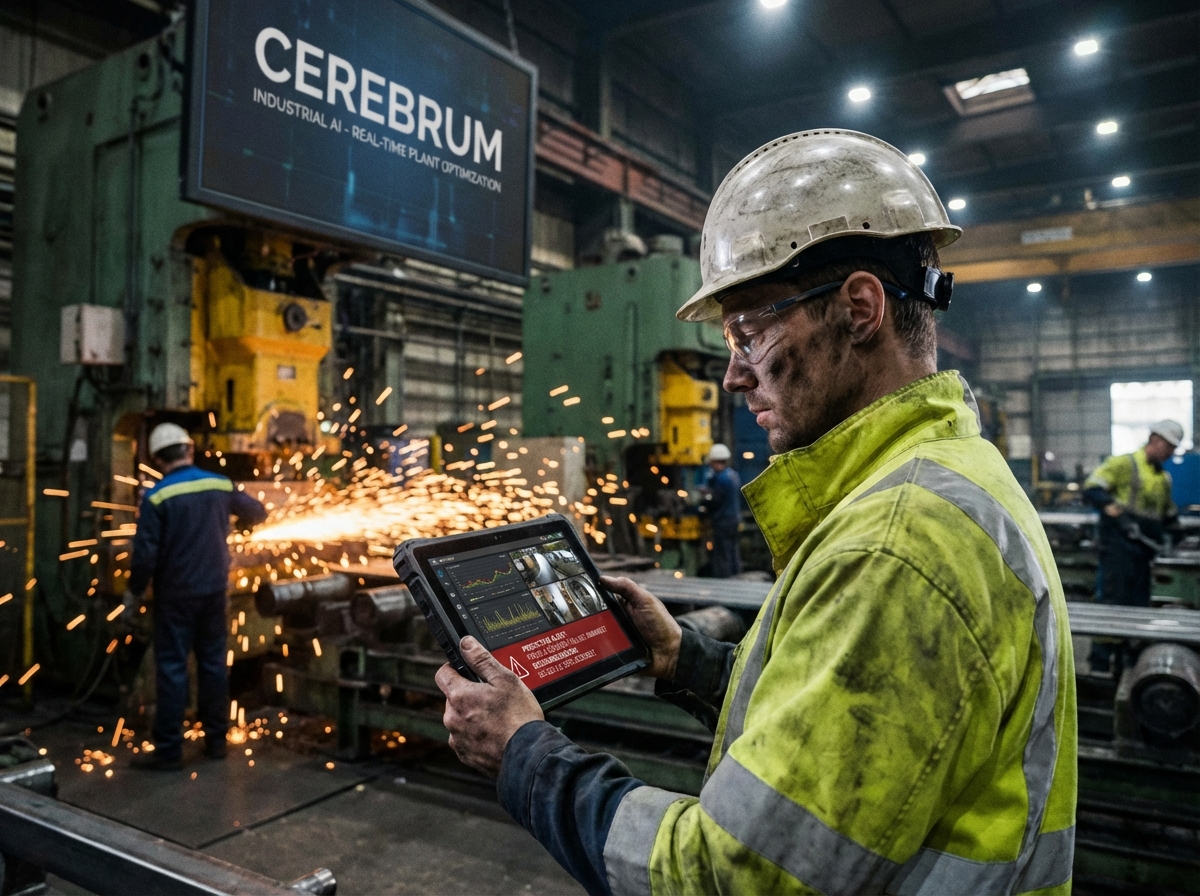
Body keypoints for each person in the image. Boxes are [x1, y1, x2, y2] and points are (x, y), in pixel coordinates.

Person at [435, 130, 1077, 895]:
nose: (734, 374)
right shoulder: (943, 477)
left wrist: (524, 755)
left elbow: (729, 877)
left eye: (748, 331)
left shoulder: (896, 545)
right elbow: (844, 744)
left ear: (860, 308)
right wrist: (685, 660)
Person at [126, 423, 267, 770]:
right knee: (213, 664)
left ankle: (170, 751)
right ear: (189, 449)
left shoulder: (157, 496)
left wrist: (132, 592)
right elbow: (259, 513)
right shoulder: (219, 483)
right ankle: (216, 741)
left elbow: (144, 554)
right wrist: (244, 525)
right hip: (215, 591)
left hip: (175, 596)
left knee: (173, 669)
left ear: (159, 458)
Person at [1082, 420, 1182, 673]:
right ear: (1154, 439)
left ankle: (1129, 660)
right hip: (1118, 548)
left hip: (1144, 552)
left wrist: (1178, 533)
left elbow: (1167, 515)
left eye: (1173, 448)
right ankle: (1101, 664)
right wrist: (1118, 516)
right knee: (1112, 604)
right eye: (1168, 446)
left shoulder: (1163, 478)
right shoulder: (1124, 464)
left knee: (1138, 606)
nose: (1170, 453)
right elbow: (1093, 488)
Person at [699, 443, 742, 577]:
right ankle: (736, 575)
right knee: (733, 550)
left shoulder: (721, 478)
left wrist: (703, 501)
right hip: (734, 519)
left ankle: (725, 579)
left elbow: (716, 500)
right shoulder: (733, 475)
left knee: (722, 553)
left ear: (715, 461)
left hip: (723, 520)